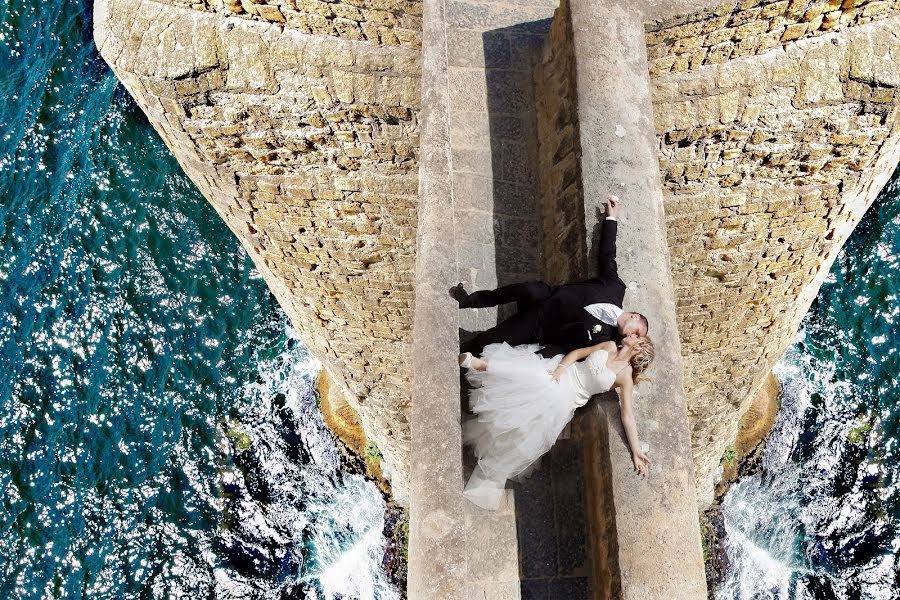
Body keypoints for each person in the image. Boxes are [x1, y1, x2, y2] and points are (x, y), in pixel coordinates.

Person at [458, 335, 654, 510]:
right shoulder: (610, 346)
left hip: (568, 398)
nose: (632, 334)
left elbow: (627, 415)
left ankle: (492, 450)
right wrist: (560, 369)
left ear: (638, 348)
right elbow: (577, 354)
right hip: (561, 371)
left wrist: (636, 451)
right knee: (537, 377)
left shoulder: (624, 377)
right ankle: (481, 365)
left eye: (637, 337)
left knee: (533, 413)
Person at [452, 197, 648, 359]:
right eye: (637, 331)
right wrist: (611, 218)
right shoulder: (615, 288)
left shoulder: (605, 339)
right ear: (634, 316)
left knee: (490, 340)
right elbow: (607, 256)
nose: (633, 336)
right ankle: (471, 300)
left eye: (636, 337)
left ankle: (459, 351)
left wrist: (547, 354)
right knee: (528, 289)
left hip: (540, 324)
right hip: (546, 295)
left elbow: (573, 350)